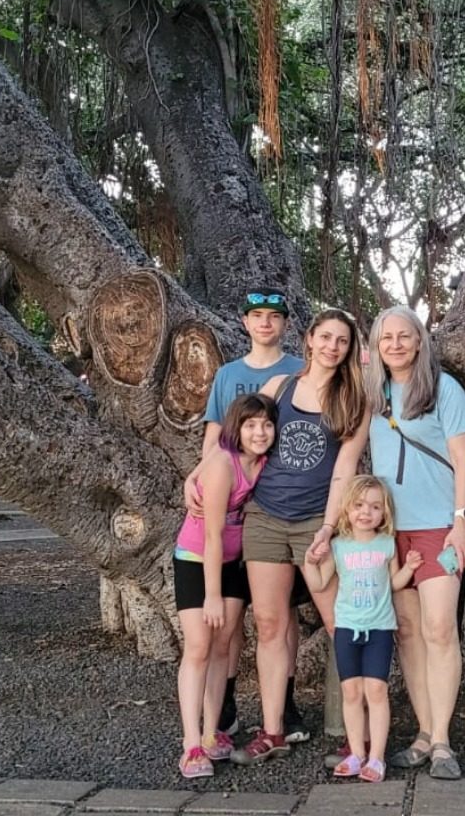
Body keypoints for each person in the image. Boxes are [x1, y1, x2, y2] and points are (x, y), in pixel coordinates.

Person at [228, 307, 367, 765]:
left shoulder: (353, 400)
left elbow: (344, 470)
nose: (332, 346)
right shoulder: (279, 387)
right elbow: (247, 442)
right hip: (266, 517)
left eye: (341, 341)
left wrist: (328, 528)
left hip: (316, 521)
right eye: (325, 337)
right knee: (268, 625)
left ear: (349, 349)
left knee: (339, 624)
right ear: (308, 339)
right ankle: (272, 730)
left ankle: (357, 735)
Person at [366, 305, 465, 780]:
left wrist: (462, 521)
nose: (394, 344)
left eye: (403, 336)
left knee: (439, 628)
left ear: (419, 341)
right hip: (390, 530)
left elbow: (464, 461)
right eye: (385, 337)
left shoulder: (444, 390)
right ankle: (425, 734)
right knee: (408, 634)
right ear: (376, 346)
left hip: (438, 527)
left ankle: (445, 741)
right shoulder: (374, 394)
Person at [194, 288, 309, 742]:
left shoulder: (298, 370)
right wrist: (197, 477)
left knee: (282, 614)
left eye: (274, 316)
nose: (265, 323)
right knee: (230, 612)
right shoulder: (227, 375)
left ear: (285, 324)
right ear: (244, 322)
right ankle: (224, 704)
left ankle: (287, 701)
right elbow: (214, 436)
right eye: (257, 315)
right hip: (234, 513)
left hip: (281, 505)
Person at [173, 393, 277, 779]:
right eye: (250, 425)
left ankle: (211, 729)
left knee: (222, 646)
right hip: (198, 560)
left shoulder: (263, 461)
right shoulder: (223, 465)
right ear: (237, 427)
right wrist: (212, 595)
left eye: (266, 424)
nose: (259, 432)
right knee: (199, 647)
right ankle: (191, 743)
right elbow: (213, 535)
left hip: (234, 561)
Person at [305, 476, 422, 782]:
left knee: (377, 691)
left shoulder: (387, 544)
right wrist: (309, 562)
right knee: (351, 692)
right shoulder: (339, 546)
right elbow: (319, 583)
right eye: (358, 505)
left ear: (384, 513)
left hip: (379, 629)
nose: (365, 513)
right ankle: (356, 753)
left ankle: (377, 757)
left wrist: (409, 568)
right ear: (347, 509)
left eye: (374, 506)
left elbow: (393, 583)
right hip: (347, 629)